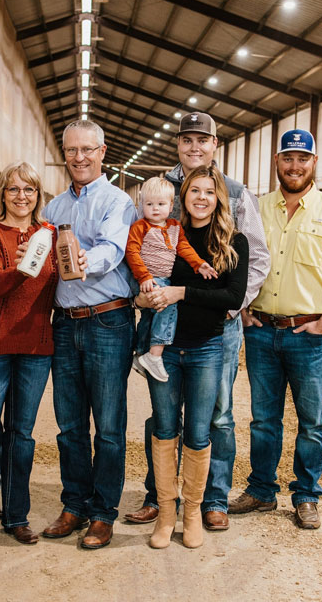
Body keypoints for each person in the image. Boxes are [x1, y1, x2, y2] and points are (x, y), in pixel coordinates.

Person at [125, 112, 269, 531]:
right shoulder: (159, 189)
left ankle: (211, 499)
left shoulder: (237, 192)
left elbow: (255, 257)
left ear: (214, 144)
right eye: (186, 140)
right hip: (165, 321)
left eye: (201, 140)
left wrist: (229, 306)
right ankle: (159, 496)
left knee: (219, 414)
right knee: (164, 414)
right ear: (178, 144)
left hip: (216, 326)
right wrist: (145, 295)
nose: (194, 147)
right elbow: (142, 244)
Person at [228, 129, 322, 530]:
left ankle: (306, 495)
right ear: (277, 161)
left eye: (302, 159)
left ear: (314, 163)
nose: (294, 166)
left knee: (311, 421)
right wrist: (242, 309)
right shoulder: (254, 208)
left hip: (310, 335)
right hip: (260, 330)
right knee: (263, 418)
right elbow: (237, 261)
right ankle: (261, 490)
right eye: (287, 158)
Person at [137, 165, 248, 549]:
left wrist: (181, 293)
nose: (201, 198)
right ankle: (166, 514)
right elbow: (144, 277)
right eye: (194, 191)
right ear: (182, 196)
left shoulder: (234, 241)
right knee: (165, 428)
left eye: (208, 191)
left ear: (219, 197)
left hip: (207, 348)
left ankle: (193, 513)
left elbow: (232, 298)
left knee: (201, 432)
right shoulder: (168, 233)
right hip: (165, 350)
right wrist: (146, 296)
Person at [0, 161, 68, 550]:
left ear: (39, 196)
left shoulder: (51, 234)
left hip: (35, 346)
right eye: (14, 189)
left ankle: (16, 516)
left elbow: (62, 280)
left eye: (30, 190)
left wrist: (79, 266)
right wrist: (25, 267)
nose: (22, 196)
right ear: (1, 193)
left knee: (21, 435)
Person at [41, 119, 137, 550]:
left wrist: (81, 260)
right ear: (64, 153)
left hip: (108, 321)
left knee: (110, 427)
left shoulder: (119, 202)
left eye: (87, 150)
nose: (79, 158)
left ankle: (103, 513)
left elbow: (112, 250)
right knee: (69, 425)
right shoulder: (53, 208)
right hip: (64, 322)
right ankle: (74, 503)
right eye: (72, 150)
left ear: (102, 153)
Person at [126, 176, 217, 382]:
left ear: (171, 205)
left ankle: (140, 352)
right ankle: (155, 355)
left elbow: (183, 248)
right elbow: (132, 252)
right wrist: (144, 277)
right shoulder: (140, 227)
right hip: (148, 277)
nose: (155, 209)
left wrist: (198, 264)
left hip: (162, 277)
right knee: (168, 305)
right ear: (142, 205)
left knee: (150, 316)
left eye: (160, 204)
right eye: (149, 204)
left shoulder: (175, 226)